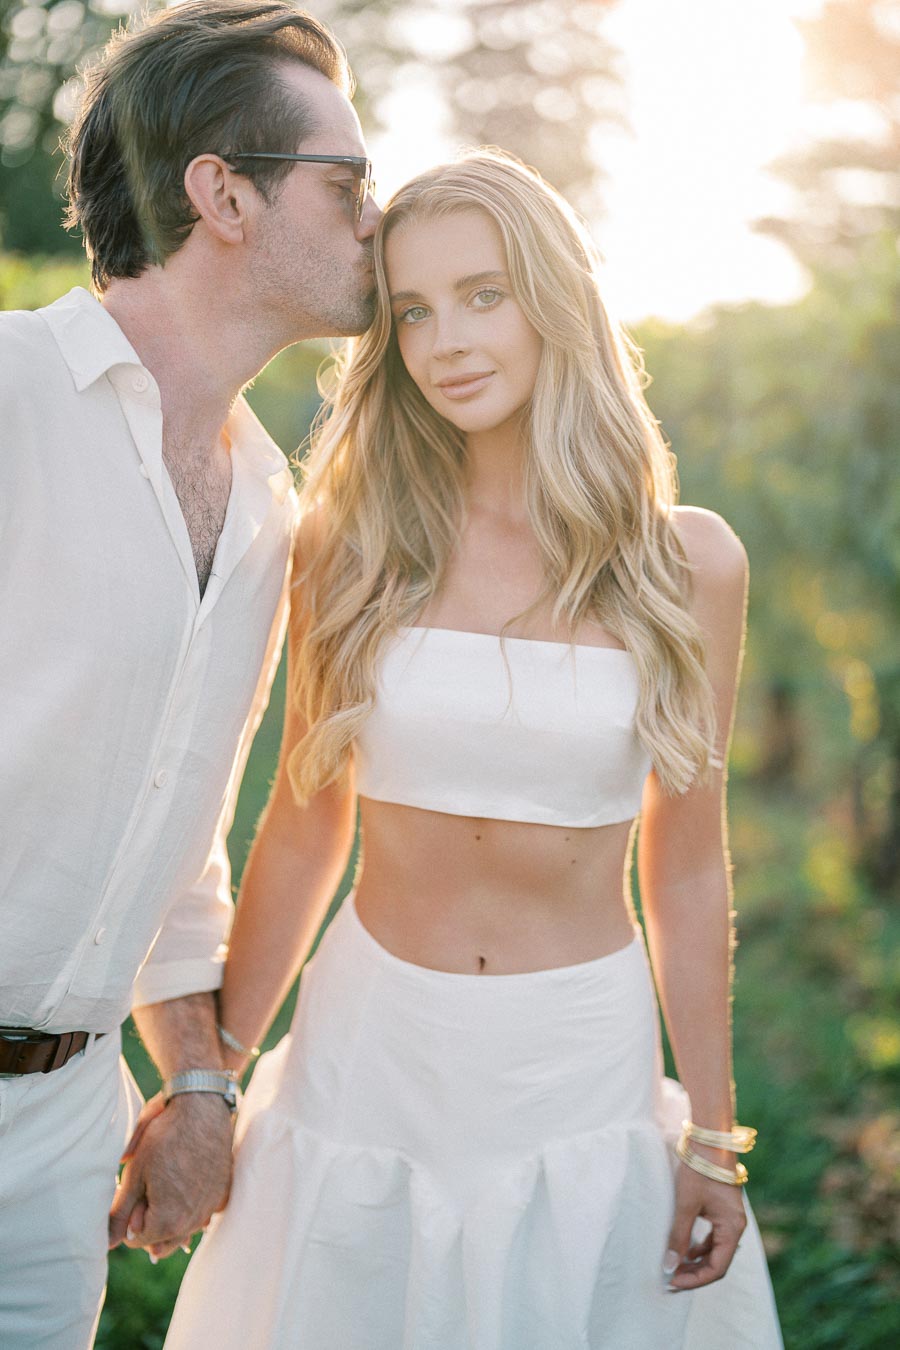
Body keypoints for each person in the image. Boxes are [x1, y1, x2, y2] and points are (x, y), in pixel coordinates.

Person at [164, 149, 783, 1349]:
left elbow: (689, 868)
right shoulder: (351, 543)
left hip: (579, 1062)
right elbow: (304, 821)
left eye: (484, 294)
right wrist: (214, 1076)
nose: (445, 338)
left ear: (557, 301)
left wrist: (712, 1131)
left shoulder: (689, 564)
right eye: (411, 310)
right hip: (371, 1050)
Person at [0, 2, 379, 1346]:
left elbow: (171, 832)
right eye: (347, 183)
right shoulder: (10, 399)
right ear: (223, 194)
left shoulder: (274, 505)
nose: (374, 218)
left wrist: (203, 1079)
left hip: (63, 1134)